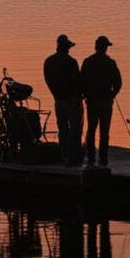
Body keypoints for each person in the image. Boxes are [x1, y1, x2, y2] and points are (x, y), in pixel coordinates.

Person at [79, 35, 122, 167]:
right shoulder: (111, 63)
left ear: (96, 47)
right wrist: (112, 95)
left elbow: (81, 82)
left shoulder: (87, 61)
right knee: (105, 131)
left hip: (91, 101)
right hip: (105, 102)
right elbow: (118, 83)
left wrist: (86, 95)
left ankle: (91, 157)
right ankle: (103, 159)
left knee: (91, 129)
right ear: (105, 48)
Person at [43, 34, 83, 165]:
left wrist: (55, 94)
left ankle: (63, 154)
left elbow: (48, 80)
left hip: (58, 99)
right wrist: (79, 97)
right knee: (75, 128)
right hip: (72, 100)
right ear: (67, 48)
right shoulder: (71, 62)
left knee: (63, 128)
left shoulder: (48, 61)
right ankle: (74, 156)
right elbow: (77, 82)